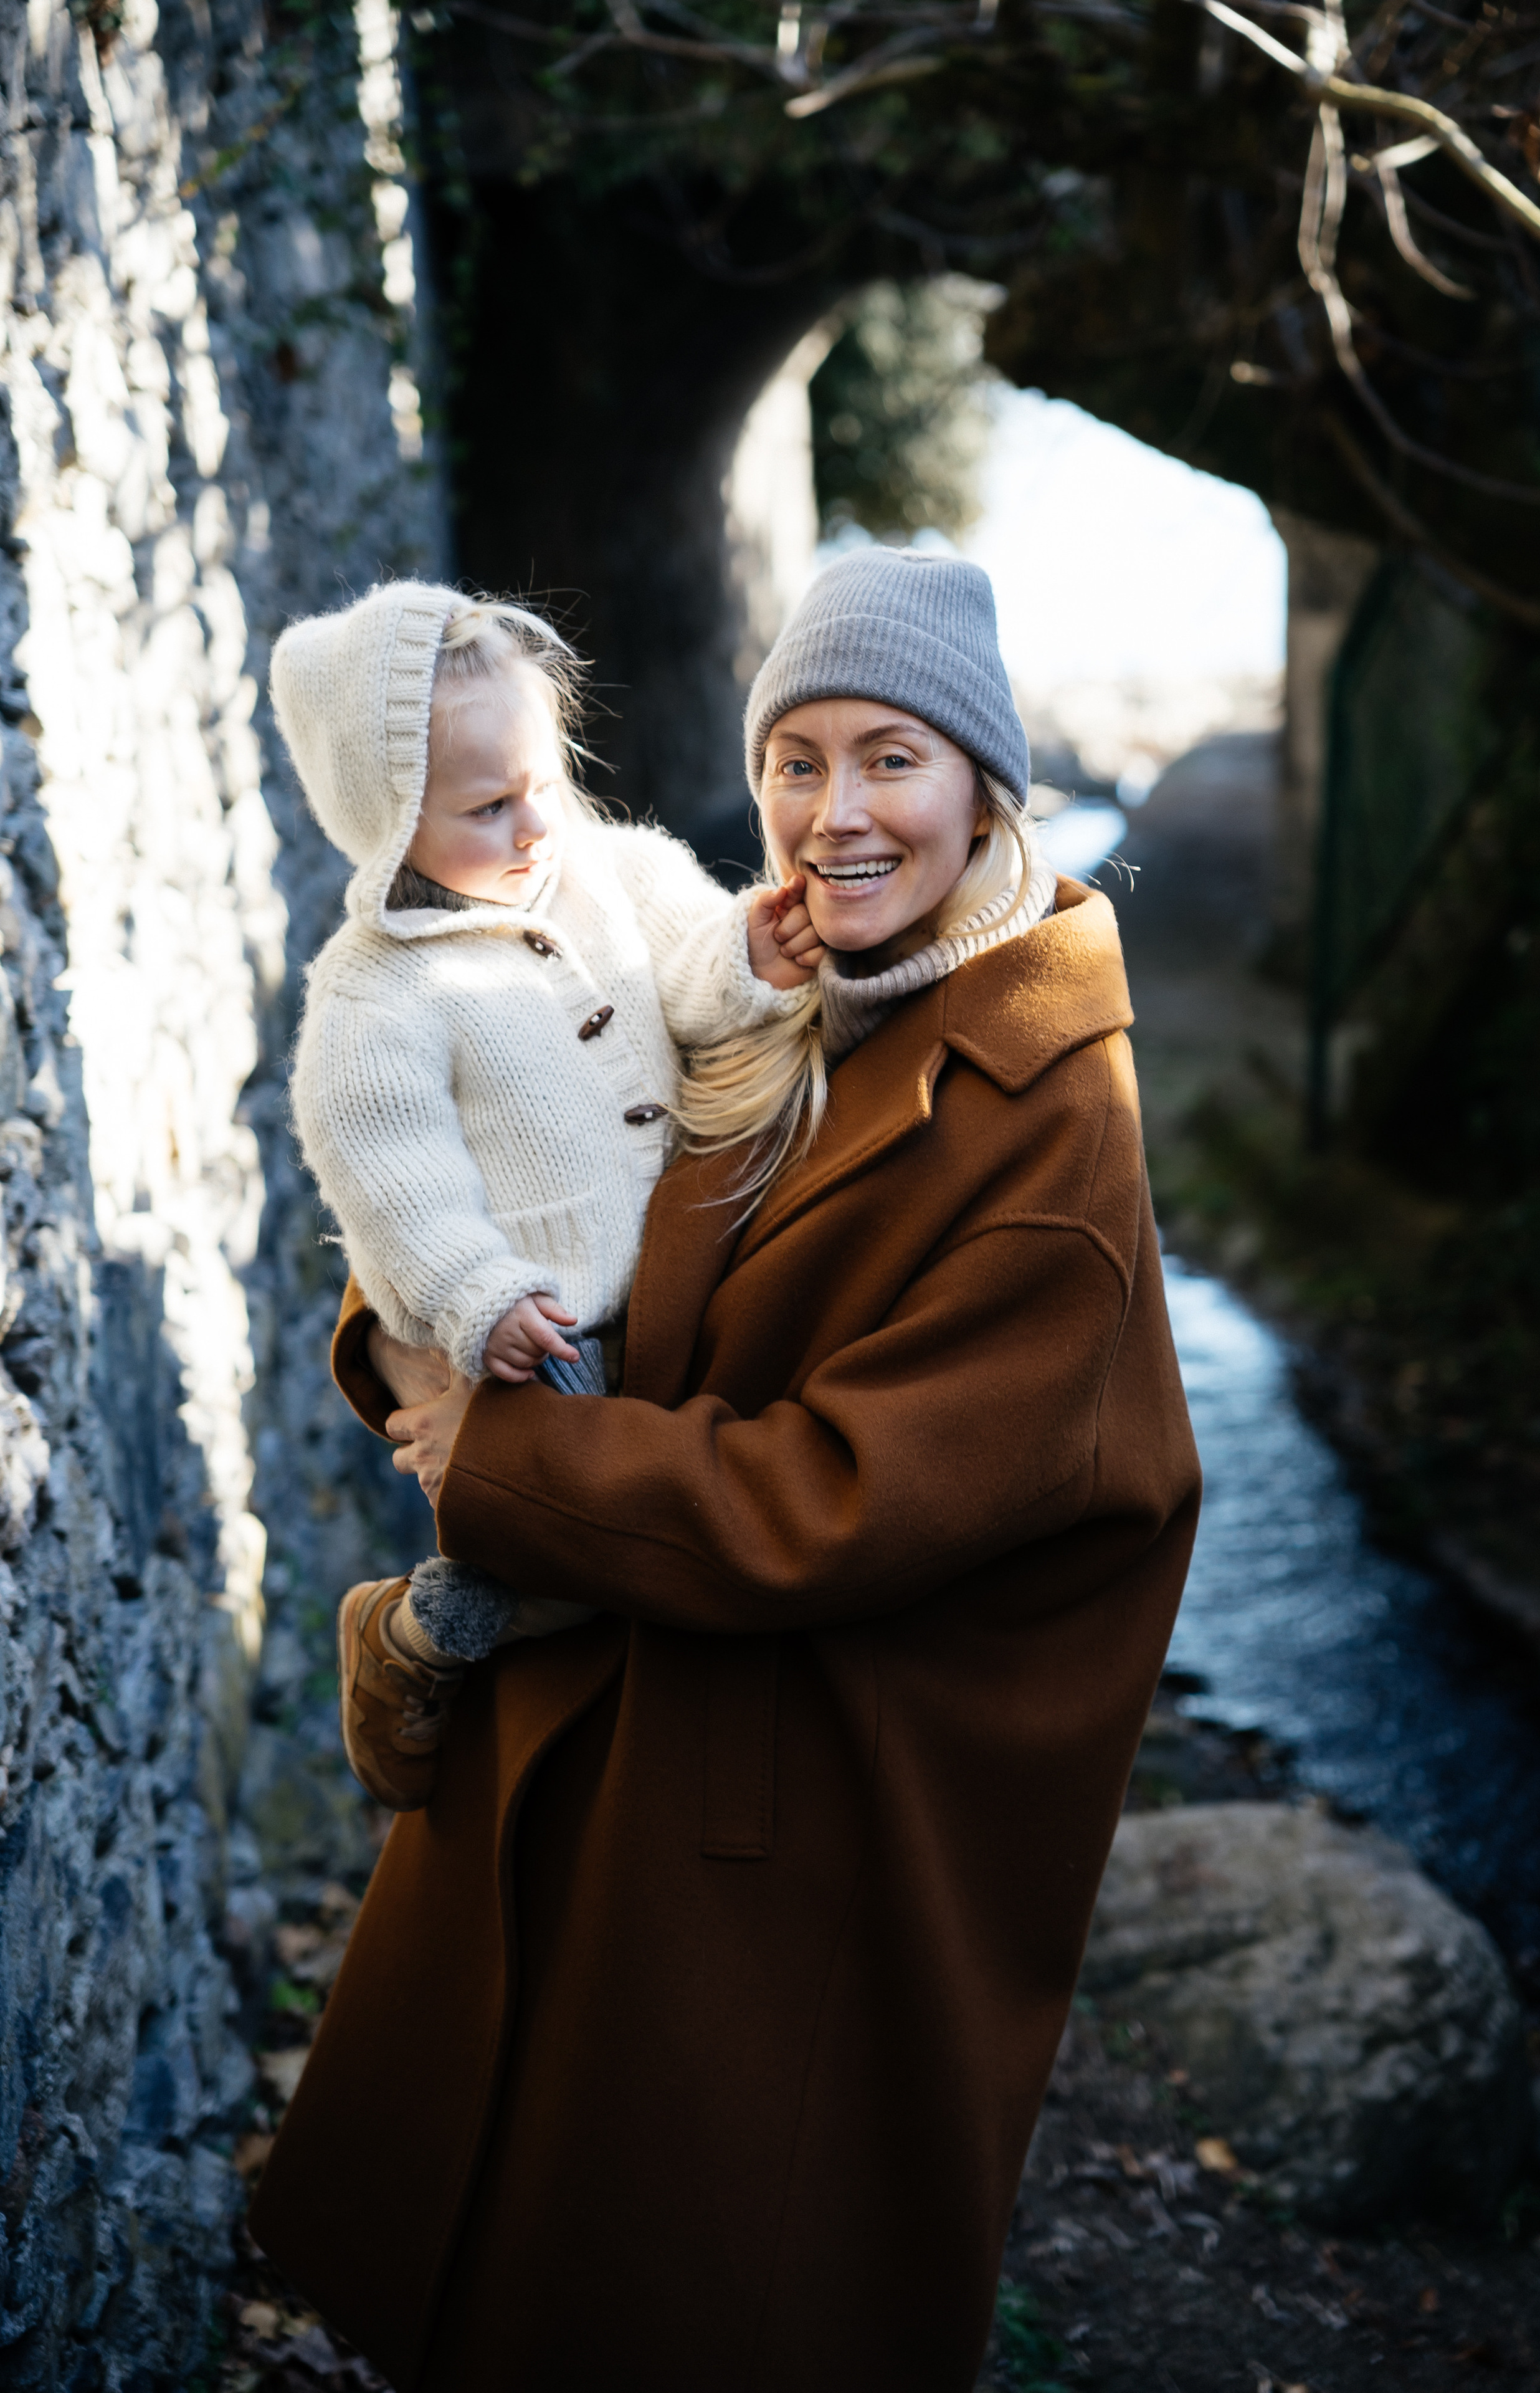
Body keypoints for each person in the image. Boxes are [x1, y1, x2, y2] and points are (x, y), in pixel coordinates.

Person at [252, 548, 1201, 2393]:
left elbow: (829, 1499)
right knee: (517, 2271)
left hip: (796, 1825)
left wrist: (504, 1455)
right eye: (797, 758)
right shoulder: (782, 999)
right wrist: (407, 1345)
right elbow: (536, 1203)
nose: (833, 815)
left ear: (987, 787)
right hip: (632, 1717)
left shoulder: (1047, 1126)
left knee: (698, 2294)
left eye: (893, 760)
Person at [273, 581, 819, 1808]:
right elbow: (392, 1175)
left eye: (543, 784)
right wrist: (478, 1295)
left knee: (673, 1516)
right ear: (387, 821)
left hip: (679, 1291)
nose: (532, 826)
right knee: (583, 1540)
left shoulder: (616, 868)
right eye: (484, 807)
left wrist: (750, 955)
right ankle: (415, 1640)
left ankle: (486, 1628)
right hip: (538, 1329)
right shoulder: (375, 999)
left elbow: (688, 966)